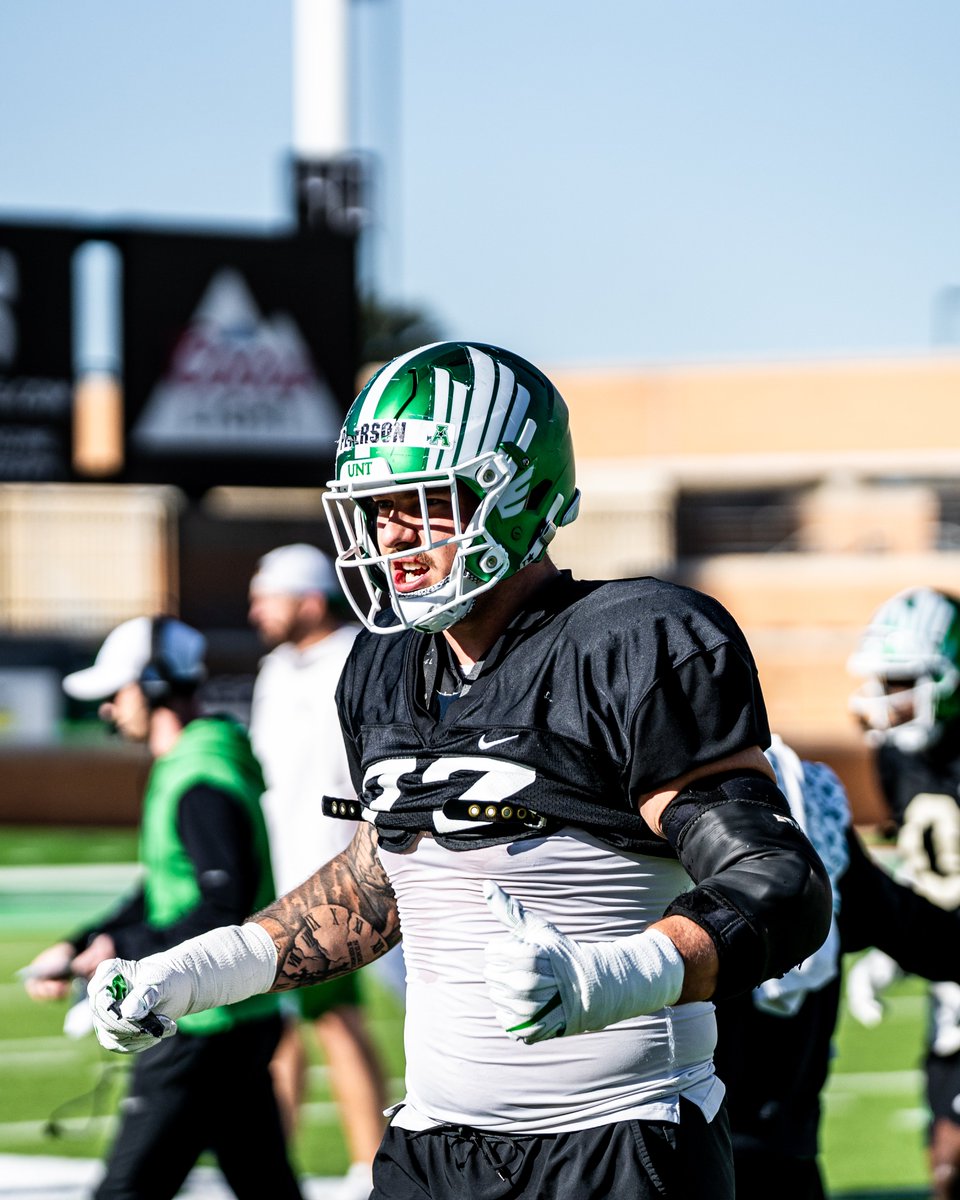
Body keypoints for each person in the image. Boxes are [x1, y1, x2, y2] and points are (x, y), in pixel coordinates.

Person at [85, 342, 832, 1200]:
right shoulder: (382, 670)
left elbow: (776, 883)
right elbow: (379, 887)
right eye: (376, 507)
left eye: (421, 502)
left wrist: (609, 978)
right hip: (435, 1146)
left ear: (514, 494)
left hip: (620, 1141)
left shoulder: (630, 642)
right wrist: (194, 973)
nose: (390, 533)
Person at [23, 615, 302, 1200]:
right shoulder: (195, 763)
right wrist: (83, 942)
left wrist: (122, 952)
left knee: (126, 1192)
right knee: (266, 1186)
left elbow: (221, 903)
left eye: (114, 693)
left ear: (152, 684)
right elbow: (161, 890)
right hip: (235, 1014)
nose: (107, 710)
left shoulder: (201, 774)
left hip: (204, 1024)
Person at [714, 733, 960, 1200]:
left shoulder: (798, 788)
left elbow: (894, 918)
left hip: (751, 1121)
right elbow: (897, 920)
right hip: (699, 1111)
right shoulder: (793, 786)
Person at [248, 543, 392, 1198]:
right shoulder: (276, 669)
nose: (255, 610)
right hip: (278, 874)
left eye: (267, 597)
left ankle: (371, 1166)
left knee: (334, 1020)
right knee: (281, 1029)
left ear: (309, 601)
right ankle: (273, 1166)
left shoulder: (358, 658)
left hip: (341, 877)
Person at [843, 586, 960, 1199]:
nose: (889, 699)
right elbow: (924, 861)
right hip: (950, 972)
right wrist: (895, 949)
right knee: (946, 1165)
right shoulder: (898, 756)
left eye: (902, 681)